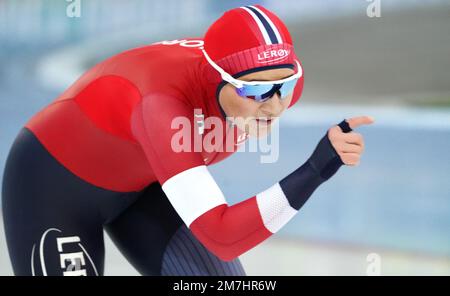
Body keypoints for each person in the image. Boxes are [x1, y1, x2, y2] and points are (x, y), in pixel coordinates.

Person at [2, 5, 374, 276]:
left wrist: (268, 89)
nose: (274, 106)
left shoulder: (279, 82)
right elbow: (222, 236)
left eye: (284, 87)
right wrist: (313, 171)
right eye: (256, 91)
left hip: (145, 185)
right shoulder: (161, 106)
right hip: (54, 188)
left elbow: (270, 82)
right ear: (217, 78)